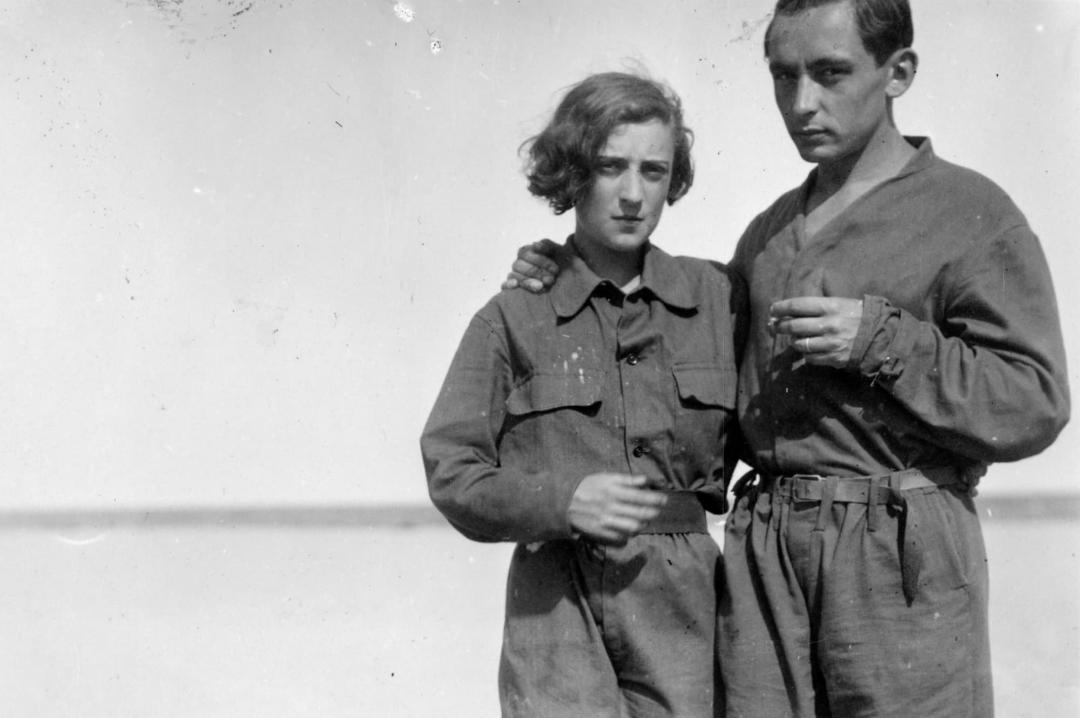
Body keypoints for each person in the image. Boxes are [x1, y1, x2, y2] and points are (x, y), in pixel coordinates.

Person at [502, 2, 1070, 716]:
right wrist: (574, 270)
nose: (802, 103)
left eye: (831, 74)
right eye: (783, 76)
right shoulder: (768, 235)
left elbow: (1035, 400)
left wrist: (883, 341)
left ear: (899, 73)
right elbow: (687, 358)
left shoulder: (970, 213)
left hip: (899, 553)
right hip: (765, 556)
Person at [421, 72, 744, 717]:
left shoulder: (720, 300)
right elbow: (451, 469)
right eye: (609, 167)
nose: (633, 194)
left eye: (654, 171)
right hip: (555, 602)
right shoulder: (513, 317)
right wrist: (562, 501)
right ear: (572, 174)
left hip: (685, 603)